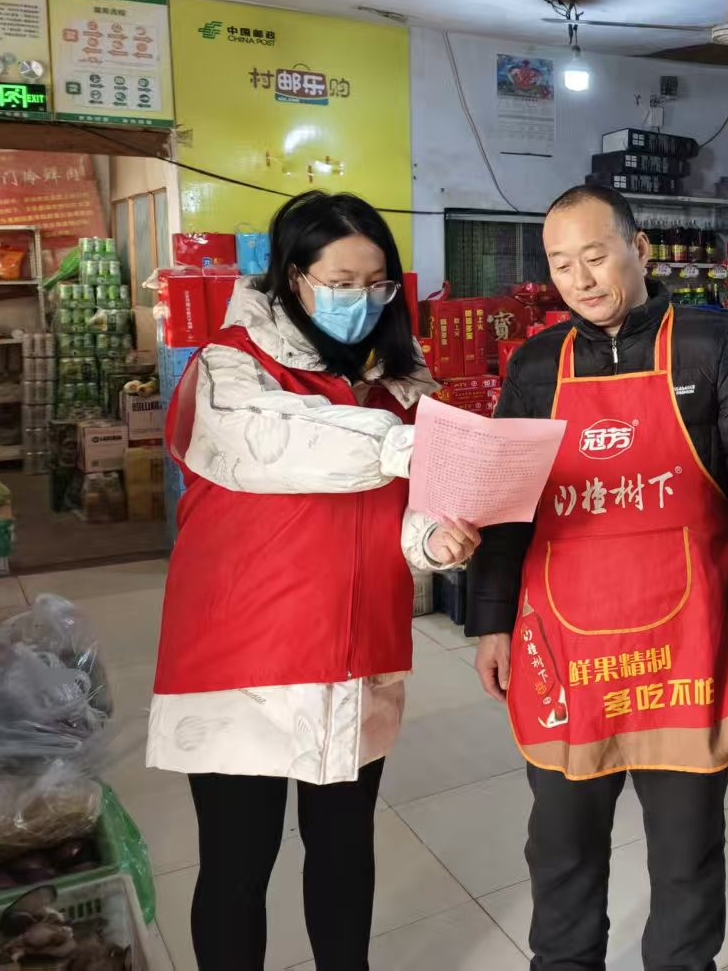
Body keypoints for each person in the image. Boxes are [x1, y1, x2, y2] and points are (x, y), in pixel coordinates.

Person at [466, 184, 728, 971]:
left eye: (595, 255)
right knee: (561, 847)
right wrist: (490, 621)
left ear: (639, 249)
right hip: (567, 647)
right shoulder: (536, 365)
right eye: (561, 265)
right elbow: (508, 510)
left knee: (687, 851)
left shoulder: (715, 343)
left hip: (685, 642)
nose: (580, 279)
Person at [150, 191, 480, 971]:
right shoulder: (232, 366)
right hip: (245, 655)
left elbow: (404, 508)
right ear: (293, 275)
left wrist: (433, 537)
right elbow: (283, 445)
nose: (361, 299)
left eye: (377, 283)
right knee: (238, 859)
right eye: (341, 281)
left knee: (343, 848)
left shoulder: (400, 380)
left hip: (355, 645)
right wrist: (404, 443)